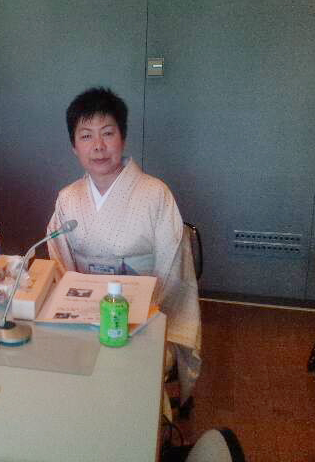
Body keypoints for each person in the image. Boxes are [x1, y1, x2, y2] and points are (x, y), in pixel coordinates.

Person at [47, 87, 201, 403]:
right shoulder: (68, 198)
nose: (98, 146)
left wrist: (142, 313)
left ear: (123, 138)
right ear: (74, 146)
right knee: (65, 369)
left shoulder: (155, 194)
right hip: (85, 316)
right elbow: (61, 266)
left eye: (108, 133)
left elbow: (172, 270)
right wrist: (84, 312)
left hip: (145, 316)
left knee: (129, 380)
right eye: (86, 136)